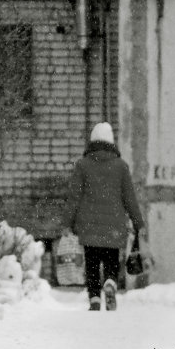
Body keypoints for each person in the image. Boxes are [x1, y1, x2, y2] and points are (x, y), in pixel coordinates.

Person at [63, 122, 144, 311]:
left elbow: (74, 197)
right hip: (114, 226)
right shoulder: (121, 167)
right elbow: (130, 198)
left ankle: (94, 299)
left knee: (91, 263)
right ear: (111, 142)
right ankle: (110, 283)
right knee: (111, 261)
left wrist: (66, 223)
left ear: (92, 141)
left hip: (89, 226)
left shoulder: (82, 166)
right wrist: (139, 223)